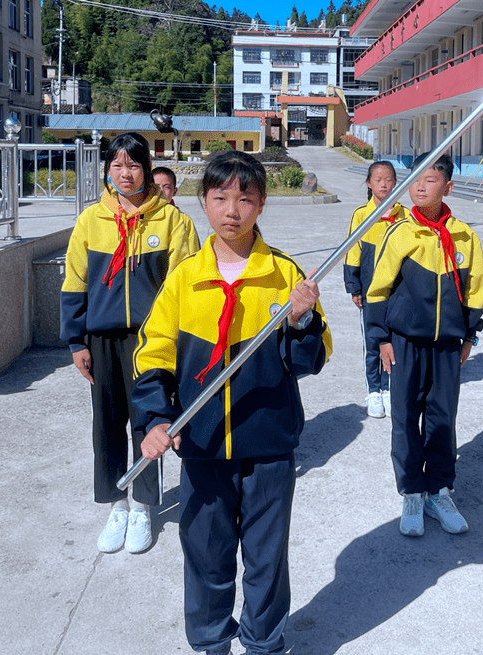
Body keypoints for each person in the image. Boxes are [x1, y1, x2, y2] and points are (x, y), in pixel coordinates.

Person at [132, 150, 332, 655]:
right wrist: (155, 419)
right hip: (200, 442)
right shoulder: (184, 279)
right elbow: (153, 351)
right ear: (203, 202)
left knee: (266, 556)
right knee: (206, 552)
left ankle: (265, 641)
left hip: (268, 445)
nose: (232, 210)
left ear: (262, 205)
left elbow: (312, 360)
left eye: (245, 198)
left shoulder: (285, 276)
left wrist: (302, 322)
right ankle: (210, 641)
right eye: (220, 197)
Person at [60, 132, 193, 554]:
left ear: (147, 170)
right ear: (106, 170)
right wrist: (75, 340)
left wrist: (177, 342)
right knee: (107, 422)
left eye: (133, 165)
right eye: (116, 166)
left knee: (148, 420)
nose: (124, 173)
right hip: (102, 338)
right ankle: (116, 501)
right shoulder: (90, 220)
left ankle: (143, 506)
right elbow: (74, 282)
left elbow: (185, 284)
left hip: (150, 339)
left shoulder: (172, 222)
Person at [365, 153, 483, 538]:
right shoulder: (399, 233)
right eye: (415, 179)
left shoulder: (465, 236)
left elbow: (477, 291)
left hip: (448, 346)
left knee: (441, 418)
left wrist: (469, 335)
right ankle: (412, 492)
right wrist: (381, 338)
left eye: (430, 180)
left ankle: (438, 490)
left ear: (448, 187)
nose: (419, 186)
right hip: (405, 343)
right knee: (404, 418)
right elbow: (378, 289)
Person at [343, 161, 407, 418]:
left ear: (396, 183)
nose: (384, 183)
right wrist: (354, 287)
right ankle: (373, 391)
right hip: (370, 294)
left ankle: (390, 390)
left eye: (389, 179)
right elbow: (352, 252)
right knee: (372, 342)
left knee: (395, 341)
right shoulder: (361, 215)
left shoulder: (405, 215)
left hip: (398, 293)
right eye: (378, 179)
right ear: (369, 184)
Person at [152, 165, 201, 250]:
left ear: (174, 191)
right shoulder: (139, 219)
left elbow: (194, 255)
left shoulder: (184, 221)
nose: (161, 191)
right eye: (156, 186)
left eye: (166, 187)